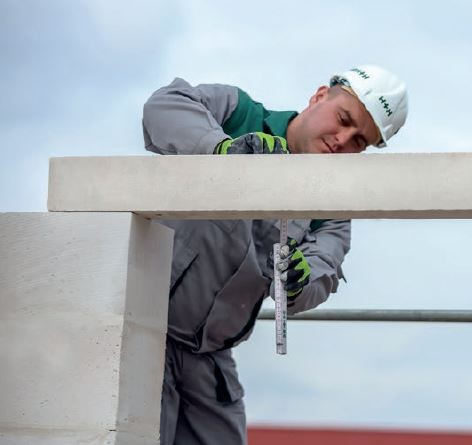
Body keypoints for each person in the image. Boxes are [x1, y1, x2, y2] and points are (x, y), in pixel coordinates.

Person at [141, 65, 409, 445]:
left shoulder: (331, 208)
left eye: (359, 142)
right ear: (319, 96)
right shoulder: (237, 114)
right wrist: (219, 151)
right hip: (149, 339)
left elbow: (323, 270)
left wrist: (299, 283)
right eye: (344, 119)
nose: (342, 139)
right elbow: (163, 106)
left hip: (213, 359)